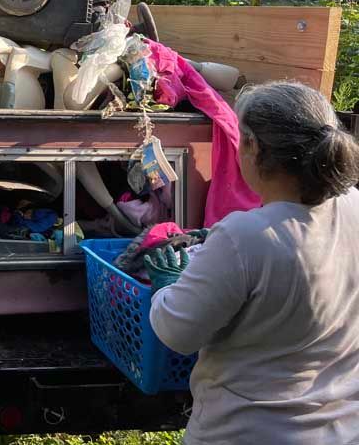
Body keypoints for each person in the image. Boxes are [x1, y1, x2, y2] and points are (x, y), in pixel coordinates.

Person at [146, 81, 359, 445]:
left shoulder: (244, 236)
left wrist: (167, 285)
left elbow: (176, 333)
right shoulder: (353, 204)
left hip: (247, 432)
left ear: (252, 146)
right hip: (340, 430)